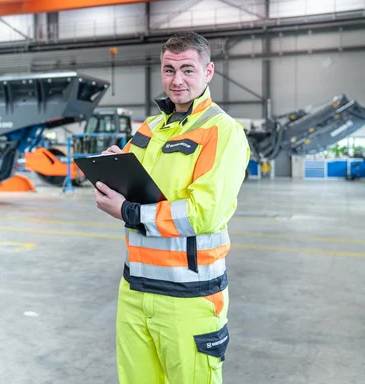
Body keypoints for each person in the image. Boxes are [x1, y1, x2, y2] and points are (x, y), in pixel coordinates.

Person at [93, 31, 250, 383]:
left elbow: (205, 213)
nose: (176, 80)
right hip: (135, 291)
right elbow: (137, 187)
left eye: (187, 70)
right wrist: (114, 168)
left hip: (189, 297)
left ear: (208, 72)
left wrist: (129, 212)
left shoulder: (221, 132)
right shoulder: (148, 129)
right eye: (168, 69)